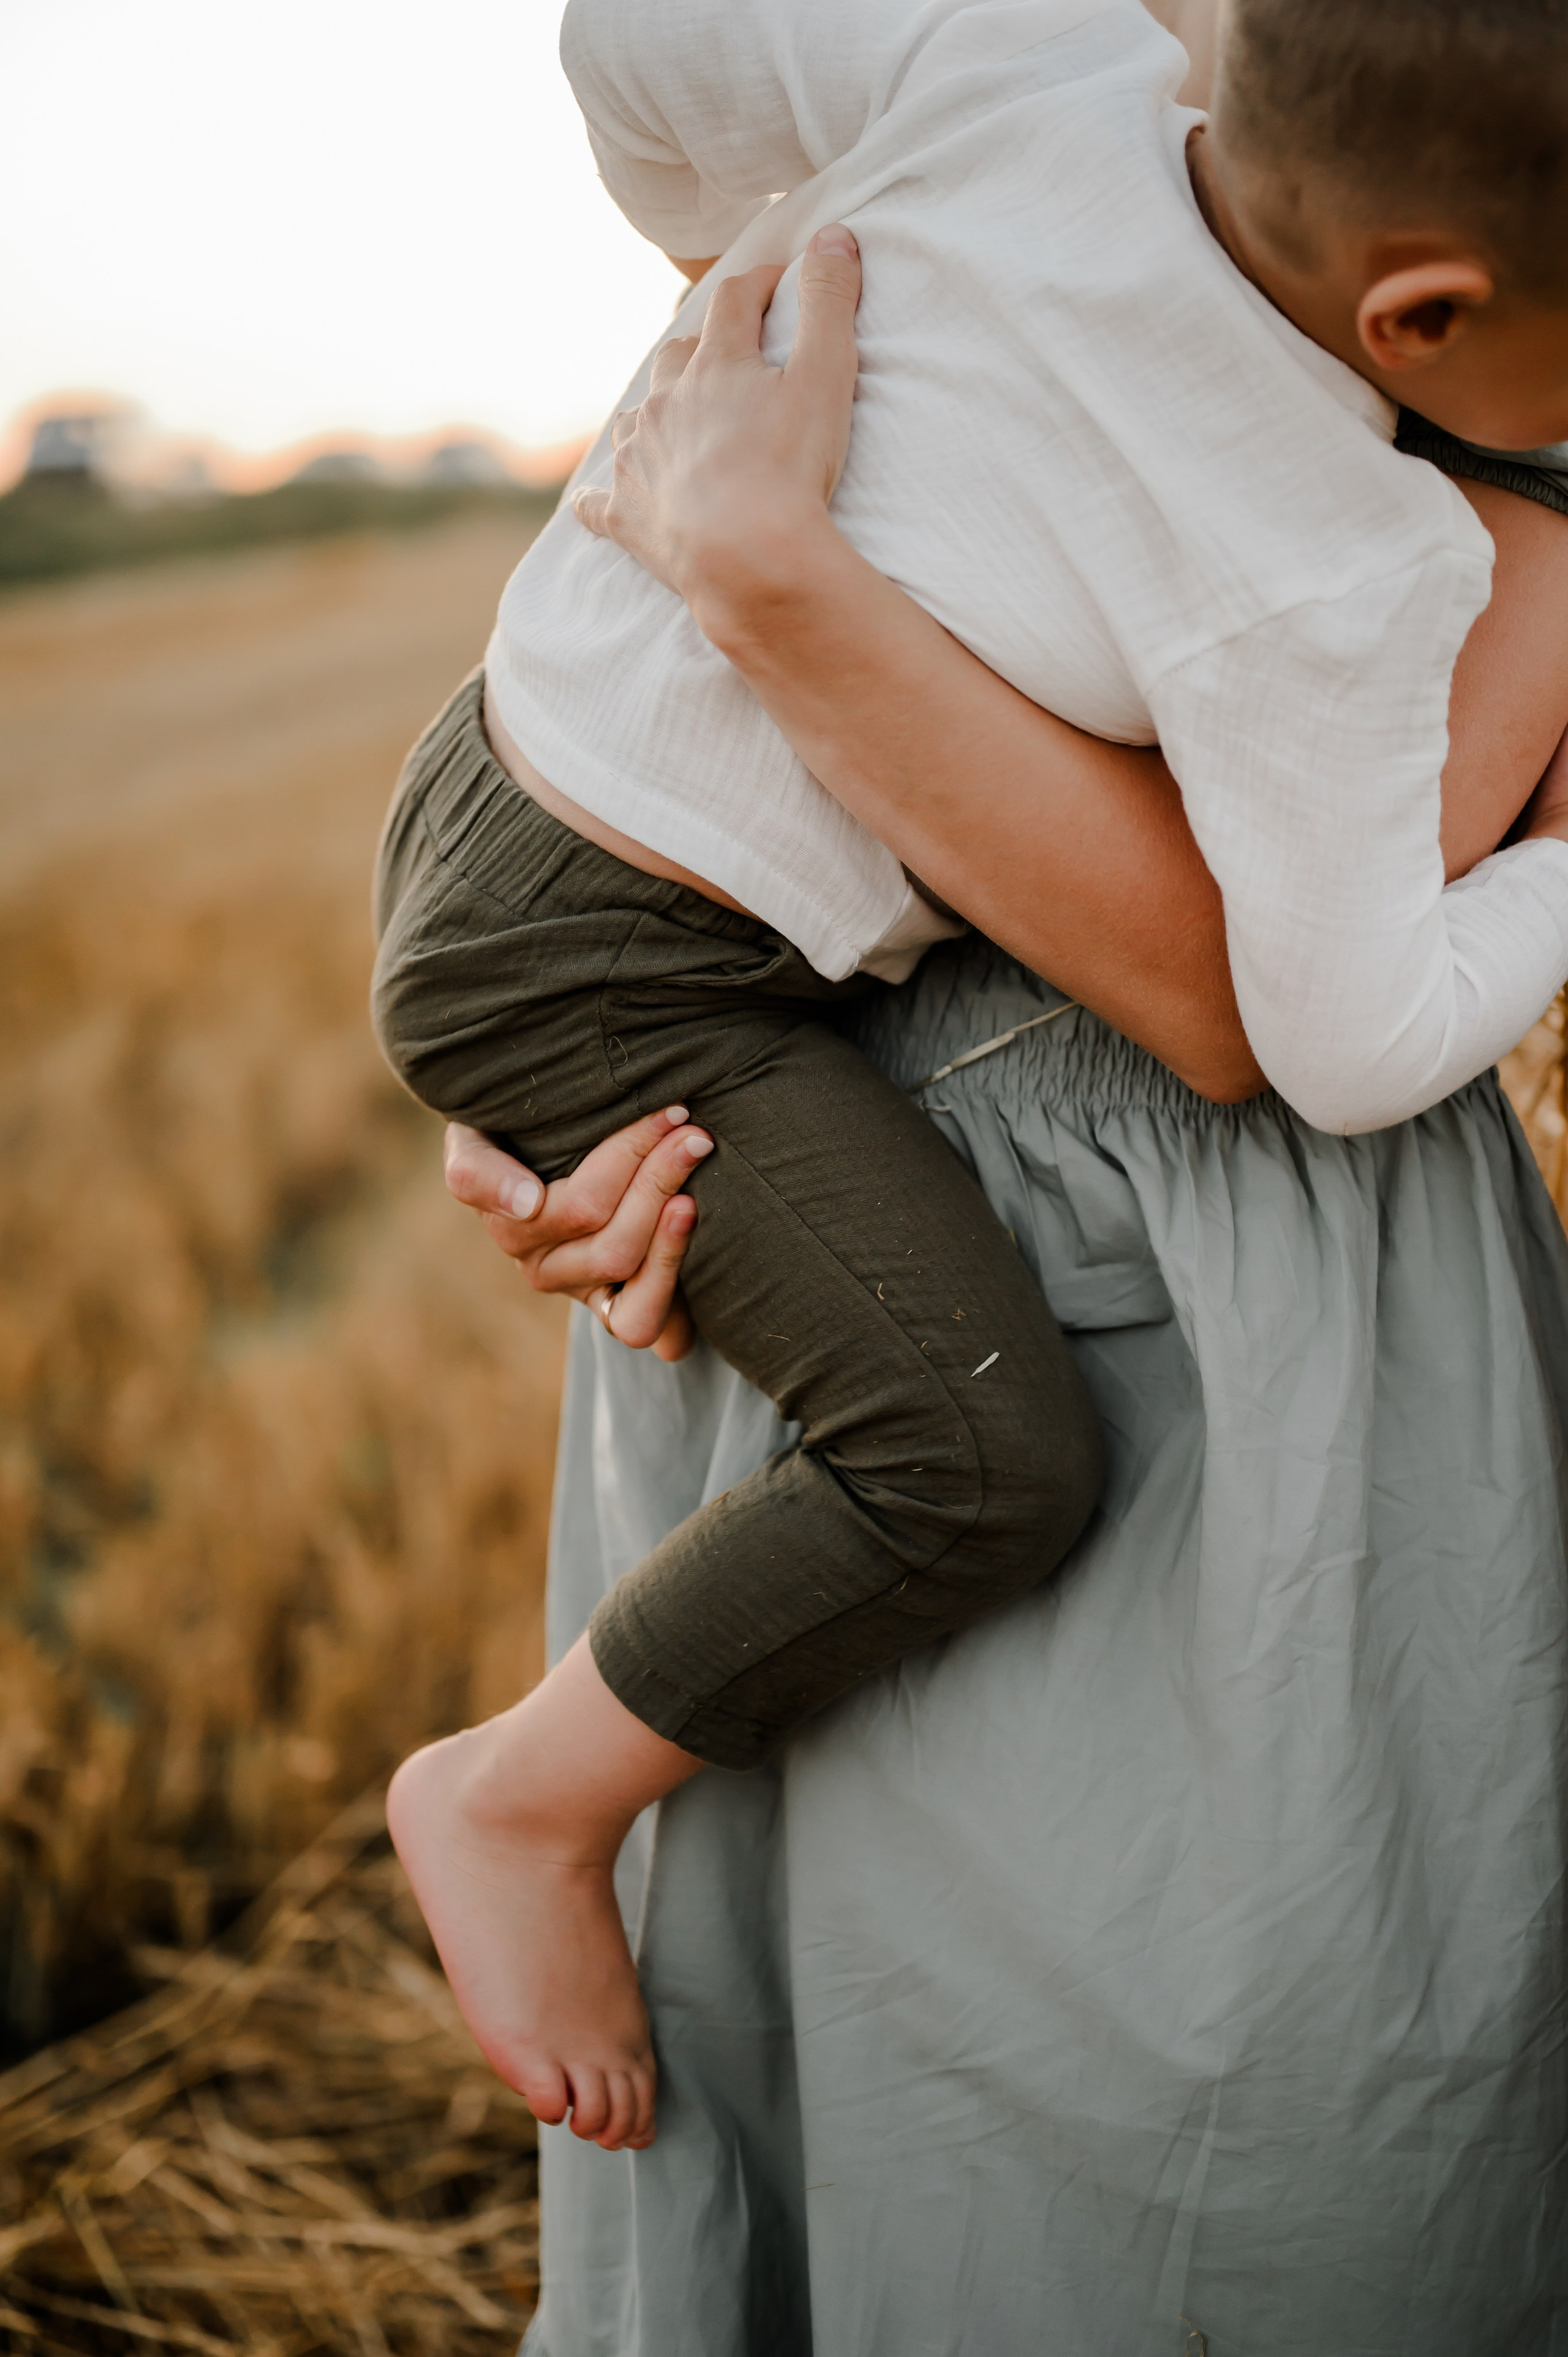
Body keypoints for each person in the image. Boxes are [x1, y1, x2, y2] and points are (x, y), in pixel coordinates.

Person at [437, 39, 1568, 2357]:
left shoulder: (1051, 71)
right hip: (805, 1126)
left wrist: (776, 571)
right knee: (882, 2114)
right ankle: (522, 1797)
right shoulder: (1144, 155)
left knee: (1170, 2149)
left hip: (1192, 1275)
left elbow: (1226, 1002)